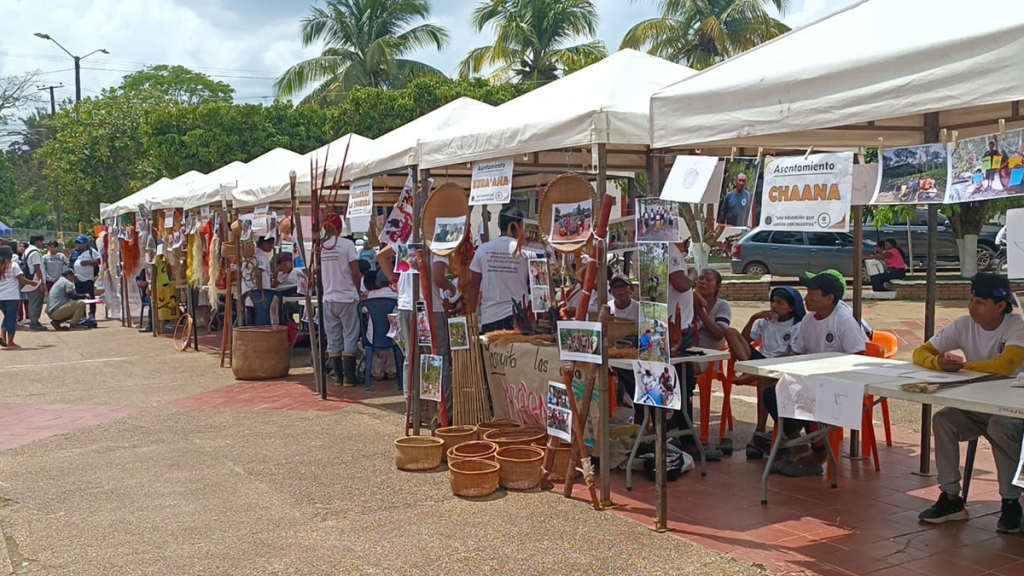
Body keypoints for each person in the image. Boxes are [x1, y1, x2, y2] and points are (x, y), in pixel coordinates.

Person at [913, 273, 1024, 532]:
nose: (972, 306)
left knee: (1000, 425)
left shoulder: (1016, 326)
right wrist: (937, 362)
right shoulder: (963, 324)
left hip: (1014, 412)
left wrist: (963, 366)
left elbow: (1004, 365)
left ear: (1000, 306)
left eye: (981, 302)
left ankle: (1010, 502)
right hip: (977, 408)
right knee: (943, 420)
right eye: (971, 299)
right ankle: (951, 497)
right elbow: (921, 351)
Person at [760, 271, 867, 477]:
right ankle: (800, 448)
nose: (807, 298)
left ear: (829, 298)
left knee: (808, 400)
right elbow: (796, 350)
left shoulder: (844, 321)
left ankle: (818, 454)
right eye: (807, 292)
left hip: (839, 386)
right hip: (812, 381)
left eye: (812, 293)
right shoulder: (809, 320)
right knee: (773, 394)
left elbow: (859, 358)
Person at [725, 287, 806, 458]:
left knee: (764, 376)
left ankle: (759, 429)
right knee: (730, 332)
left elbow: (790, 355)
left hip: (780, 365)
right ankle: (750, 369)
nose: (774, 306)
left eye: (780, 303)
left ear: (791, 308)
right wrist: (753, 318)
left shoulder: (797, 325)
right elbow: (745, 339)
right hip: (759, 359)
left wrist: (767, 367)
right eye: (773, 302)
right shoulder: (765, 321)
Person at [467, 207, 531, 333]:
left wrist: (470, 319)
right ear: (520, 226)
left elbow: (473, 285)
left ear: (498, 224)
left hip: (490, 318)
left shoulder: (483, 250)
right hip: (518, 319)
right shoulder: (527, 252)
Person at [320, 214, 363, 386]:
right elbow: (355, 272)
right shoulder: (347, 245)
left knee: (333, 337)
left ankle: (337, 376)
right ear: (339, 227)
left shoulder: (321, 247)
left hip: (328, 298)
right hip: (347, 297)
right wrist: (358, 290)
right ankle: (349, 377)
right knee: (350, 336)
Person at [0, 245, 41, 349]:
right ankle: (10, 342)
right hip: (12, 296)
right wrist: (33, 283)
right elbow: (21, 280)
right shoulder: (13, 265)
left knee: (7, 317)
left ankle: (2, 336)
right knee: (12, 318)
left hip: (1, 297)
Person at [241, 237, 276, 326]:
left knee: (250, 319)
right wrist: (261, 291)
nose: (272, 247)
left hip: (247, 292)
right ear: (265, 243)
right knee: (259, 321)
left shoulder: (250, 254)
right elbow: (258, 272)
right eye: (271, 244)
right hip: (257, 294)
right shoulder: (262, 256)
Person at [71, 235, 101, 321]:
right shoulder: (74, 252)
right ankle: (82, 314)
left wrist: (87, 262)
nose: (77, 244)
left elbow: (98, 261)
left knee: (90, 296)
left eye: (79, 243)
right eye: (77, 242)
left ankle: (92, 314)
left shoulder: (91, 251)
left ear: (85, 244)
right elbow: (70, 264)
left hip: (88, 279)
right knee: (80, 297)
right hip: (77, 279)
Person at [23, 235, 47, 331]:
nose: (42, 244)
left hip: (30, 280)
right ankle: (34, 323)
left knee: (32, 302)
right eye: (41, 241)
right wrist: (41, 282)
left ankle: (34, 321)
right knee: (36, 302)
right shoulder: (35, 252)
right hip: (36, 281)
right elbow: (37, 267)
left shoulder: (27, 250)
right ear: (37, 241)